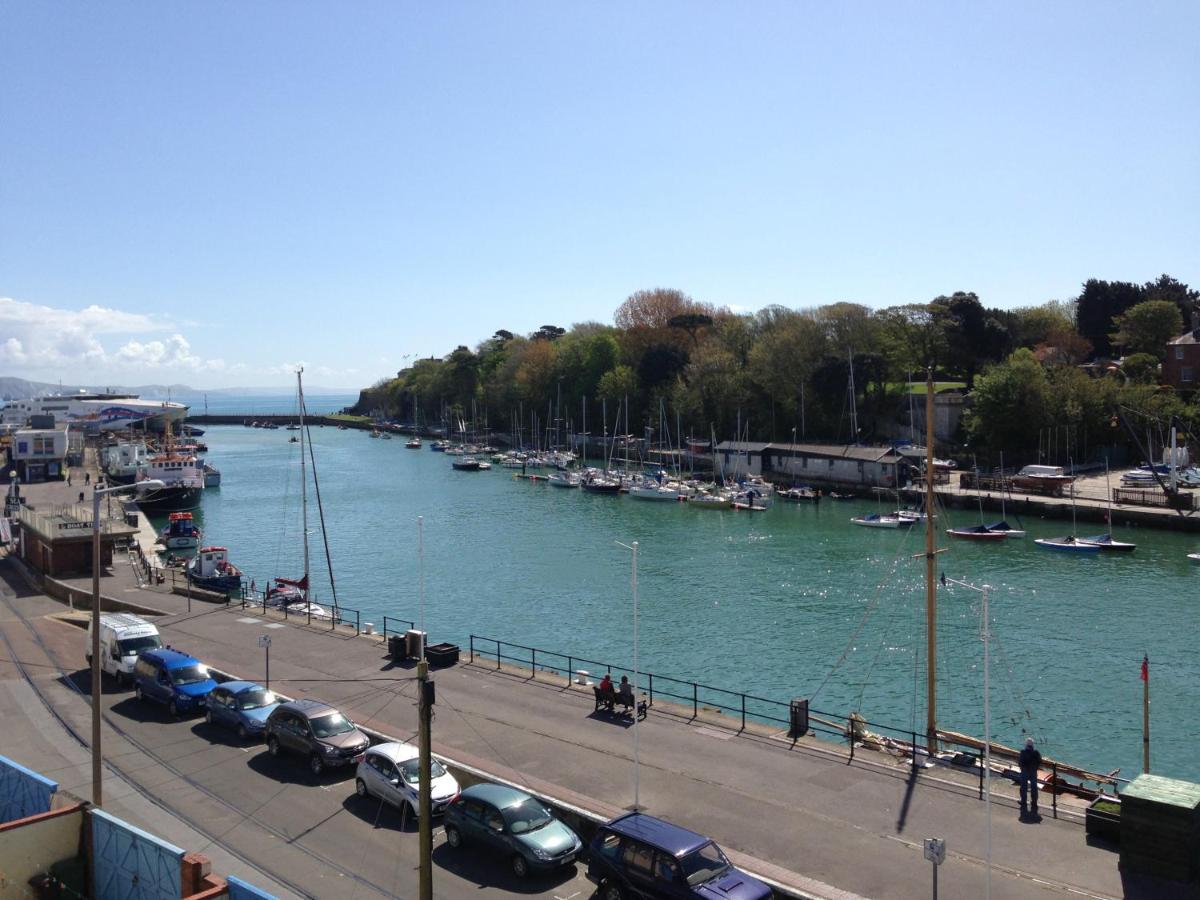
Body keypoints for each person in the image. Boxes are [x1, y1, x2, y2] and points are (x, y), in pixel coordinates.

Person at [1019, 737, 1042, 819]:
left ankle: (1023, 801)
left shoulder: (1023, 752)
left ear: (1026, 744)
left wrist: (1022, 769)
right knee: (1034, 787)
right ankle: (1034, 802)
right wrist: (1035, 768)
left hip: (1025, 771)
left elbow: (1020, 762)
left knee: (1023, 787)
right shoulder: (1036, 753)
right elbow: (1040, 761)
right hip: (1033, 772)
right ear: (1032, 745)